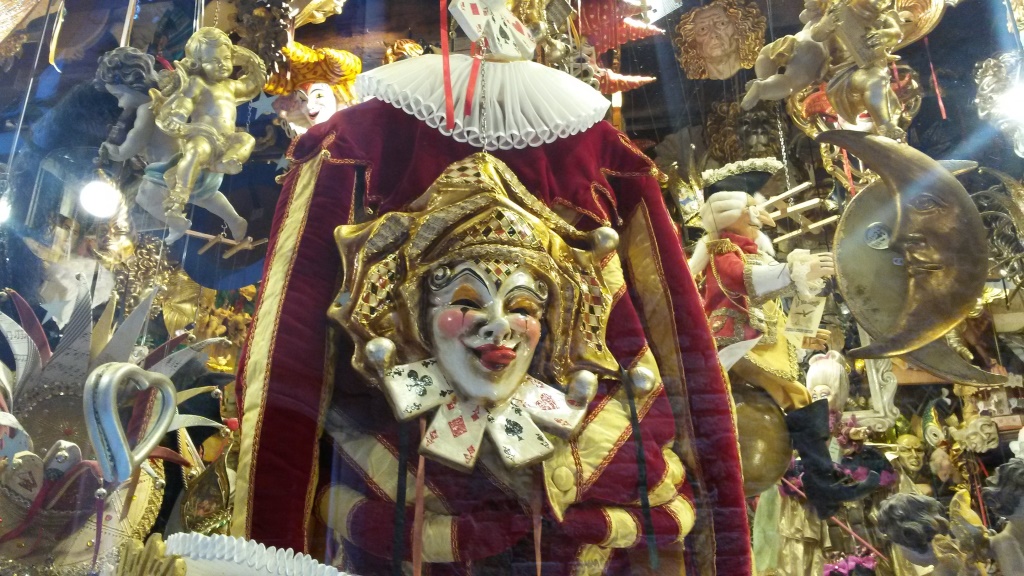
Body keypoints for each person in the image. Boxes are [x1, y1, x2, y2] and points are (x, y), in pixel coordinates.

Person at [688, 165, 879, 518]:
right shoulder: (724, 252)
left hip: (758, 341)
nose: (760, 215)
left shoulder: (752, 254)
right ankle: (824, 482)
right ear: (732, 214)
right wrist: (795, 270)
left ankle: (824, 480)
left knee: (800, 396)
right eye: (751, 207)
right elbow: (744, 280)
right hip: (737, 342)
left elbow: (771, 311)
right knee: (796, 395)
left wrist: (802, 336)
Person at [94, 47, 249, 242]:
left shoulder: (148, 109)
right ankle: (234, 219)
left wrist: (115, 152)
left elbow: (135, 141)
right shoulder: (167, 100)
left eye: (120, 96)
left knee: (144, 197)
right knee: (204, 196)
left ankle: (178, 224)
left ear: (134, 84)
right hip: (185, 161)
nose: (120, 105)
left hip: (167, 167)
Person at [149, 28, 266, 241]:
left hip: (227, 141)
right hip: (203, 136)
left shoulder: (231, 86)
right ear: (198, 63)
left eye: (226, 58)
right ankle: (179, 196)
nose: (222, 64)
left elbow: (253, 82)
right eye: (214, 60)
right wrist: (178, 115)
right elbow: (185, 101)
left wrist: (248, 58)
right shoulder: (197, 83)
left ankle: (227, 161)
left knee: (246, 139)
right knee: (194, 152)